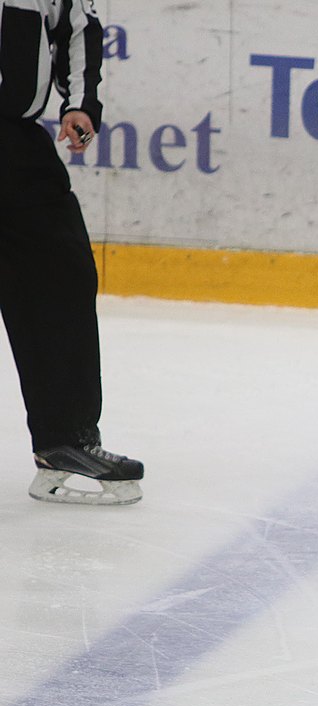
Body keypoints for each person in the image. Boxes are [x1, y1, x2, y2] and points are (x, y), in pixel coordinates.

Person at [0, 0, 143, 505]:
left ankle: (65, 441)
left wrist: (79, 102)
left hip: (13, 142)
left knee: (62, 276)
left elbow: (78, 29)